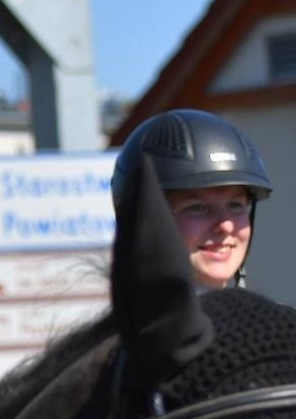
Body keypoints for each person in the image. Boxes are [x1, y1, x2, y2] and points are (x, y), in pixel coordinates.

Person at [110, 108, 273, 288]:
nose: (226, 226)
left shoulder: (270, 316)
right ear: (143, 221)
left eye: (235, 205)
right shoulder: (131, 317)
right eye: (197, 208)